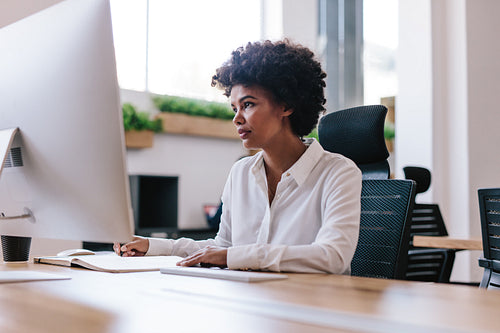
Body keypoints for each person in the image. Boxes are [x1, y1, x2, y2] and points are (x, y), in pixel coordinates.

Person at [114, 39, 362, 274]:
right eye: (234, 108)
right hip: (252, 303)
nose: (237, 118)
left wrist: (237, 256)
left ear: (286, 106)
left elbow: (333, 257)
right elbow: (222, 247)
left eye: (248, 105)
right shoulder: (241, 172)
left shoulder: (338, 173)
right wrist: (155, 247)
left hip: (316, 307)